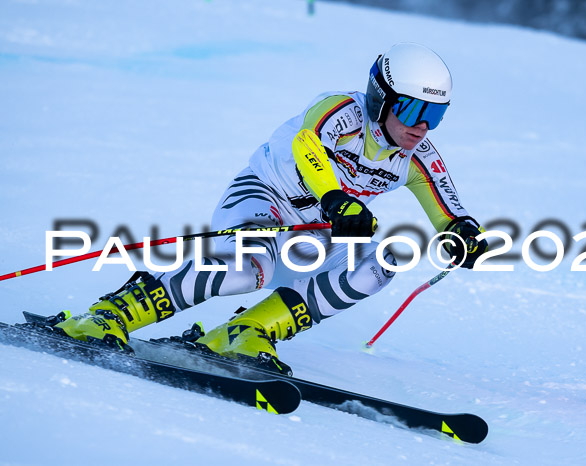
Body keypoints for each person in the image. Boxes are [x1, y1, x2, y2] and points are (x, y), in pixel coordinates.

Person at [51, 43, 488, 374]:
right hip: (264, 200)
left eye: (436, 115)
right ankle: (108, 315)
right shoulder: (342, 112)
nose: (422, 126)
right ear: (381, 99)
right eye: (413, 109)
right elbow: (308, 145)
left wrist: (465, 235)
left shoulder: (418, 155)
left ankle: (248, 332)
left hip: (314, 235)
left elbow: (448, 209)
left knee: (378, 265)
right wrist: (337, 199)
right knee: (245, 269)